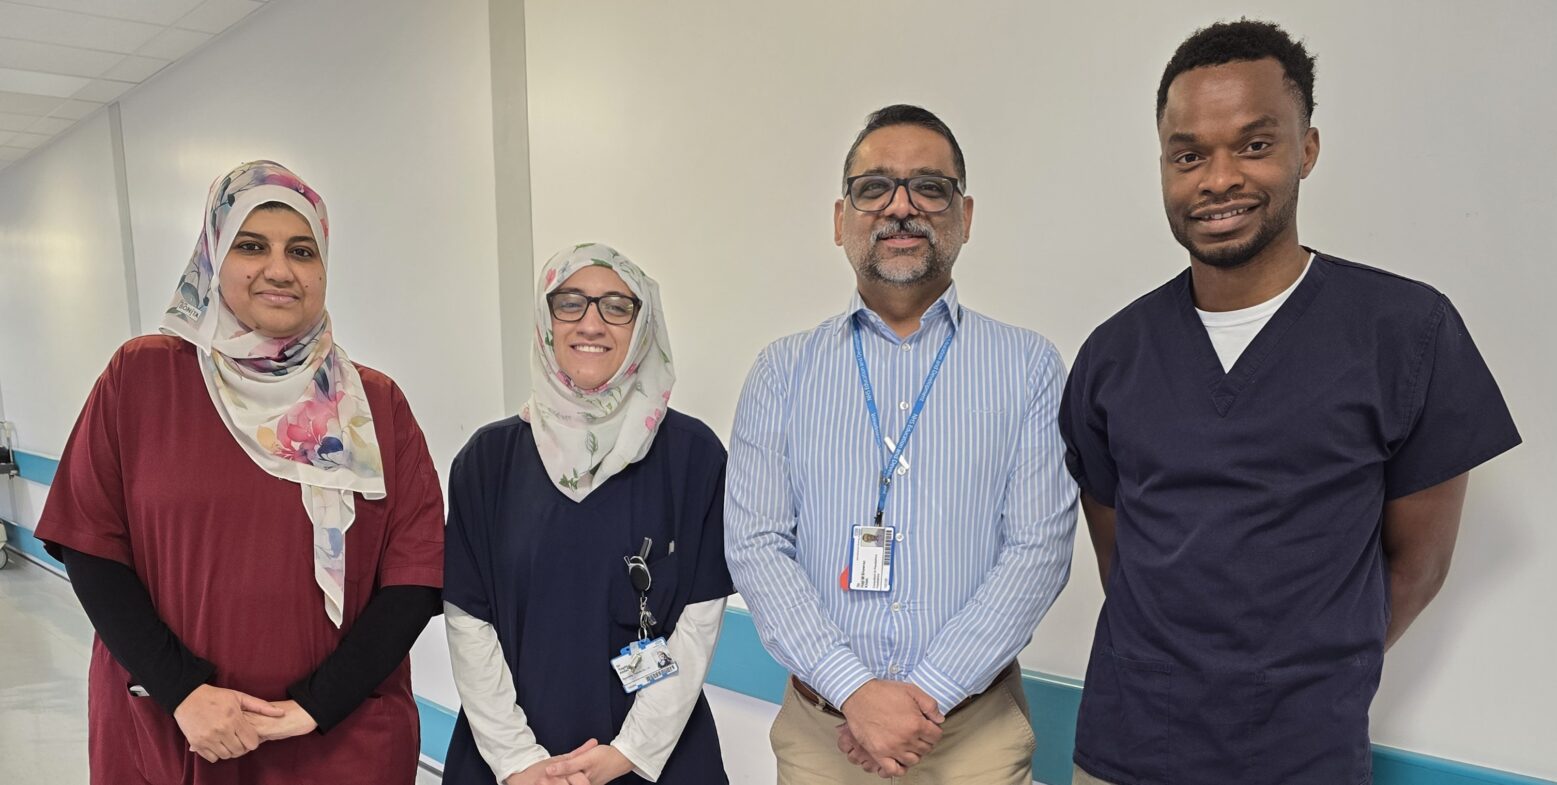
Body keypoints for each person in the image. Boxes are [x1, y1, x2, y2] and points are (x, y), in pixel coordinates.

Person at [1061, 20, 1522, 785]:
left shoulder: (1404, 332)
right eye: (1187, 155)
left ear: (1305, 149)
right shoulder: (1113, 355)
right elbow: (1123, 560)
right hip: (1126, 753)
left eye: (1253, 143)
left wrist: (1303, 675)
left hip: (1303, 759)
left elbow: (1419, 562)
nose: (1217, 179)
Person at [35, 160, 445, 784]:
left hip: (337, 741)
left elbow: (415, 577)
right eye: (251, 246)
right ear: (212, 257)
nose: (279, 270)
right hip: (177, 729)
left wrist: (317, 704)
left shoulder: (374, 408)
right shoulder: (142, 379)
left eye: (302, 251)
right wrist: (183, 692)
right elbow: (92, 548)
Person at [726, 104, 1077, 784]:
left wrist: (922, 699)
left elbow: (1037, 550)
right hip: (821, 736)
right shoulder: (781, 372)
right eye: (873, 187)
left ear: (964, 215)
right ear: (840, 219)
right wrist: (854, 690)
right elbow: (756, 544)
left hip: (972, 737)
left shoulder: (1029, 367)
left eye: (928, 187)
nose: (900, 207)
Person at [442, 244, 732, 785]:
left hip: (656, 756)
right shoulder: (489, 461)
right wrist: (517, 760)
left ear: (642, 325)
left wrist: (631, 751)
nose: (592, 323)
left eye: (617, 306)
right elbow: (469, 621)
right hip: (512, 758)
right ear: (545, 321)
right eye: (569, 303)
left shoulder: (694, 457)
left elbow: (699, 618)